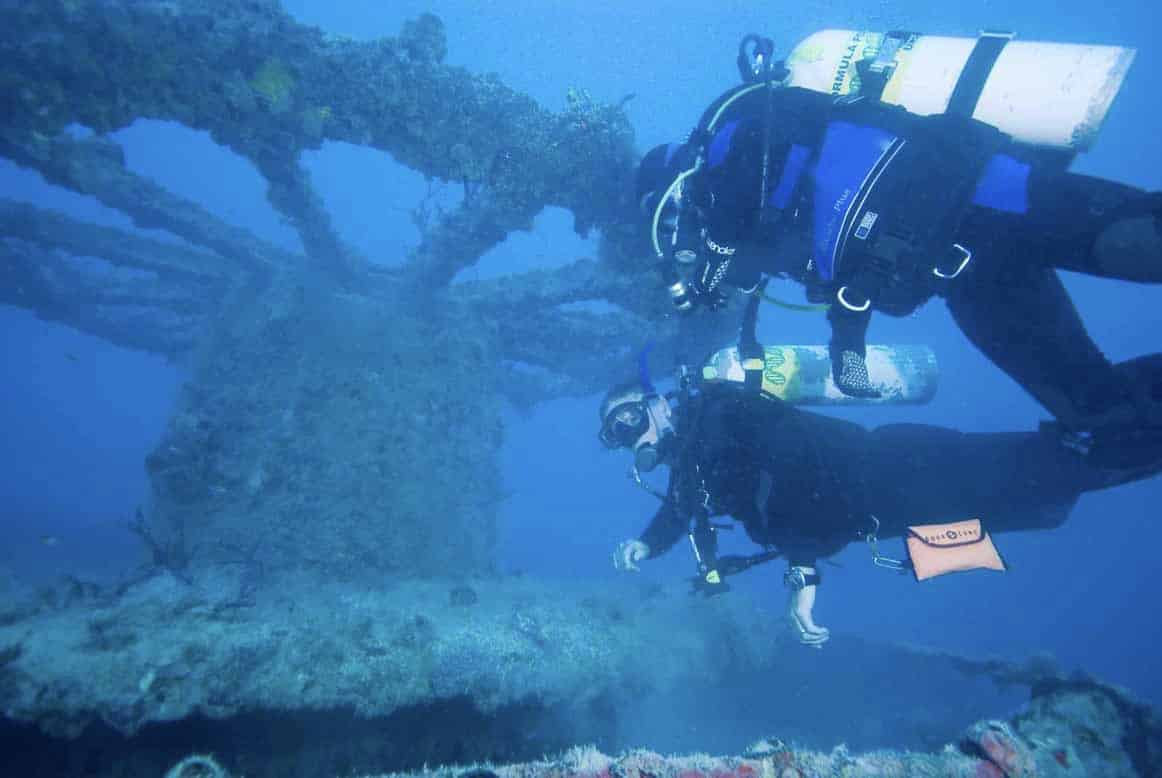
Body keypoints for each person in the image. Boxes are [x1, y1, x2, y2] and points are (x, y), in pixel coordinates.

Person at [636, 47, 1162, 441]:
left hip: (991, 194)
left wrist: (709, 250)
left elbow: (741, 199)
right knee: (1092, 410)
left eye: (670, 215)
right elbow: (817, 263)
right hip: (967, 278)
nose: (680, 231)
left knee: (1141, 241)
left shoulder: (731, 137)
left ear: (673, 182)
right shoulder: (753, 215)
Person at [599, 356, 1162, 646]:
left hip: (901, 471)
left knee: (1054, 465)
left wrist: (802, 571)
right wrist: (645, 545)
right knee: (1043, 499)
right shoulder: (697, 457)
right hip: (889, 512)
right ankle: (1130, 440)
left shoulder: (720, 413)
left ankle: (1140, 404)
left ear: (658, 401)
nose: (632, 438)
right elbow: (680, 508)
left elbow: (796, 468)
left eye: (629, 419)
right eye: (617, 435)